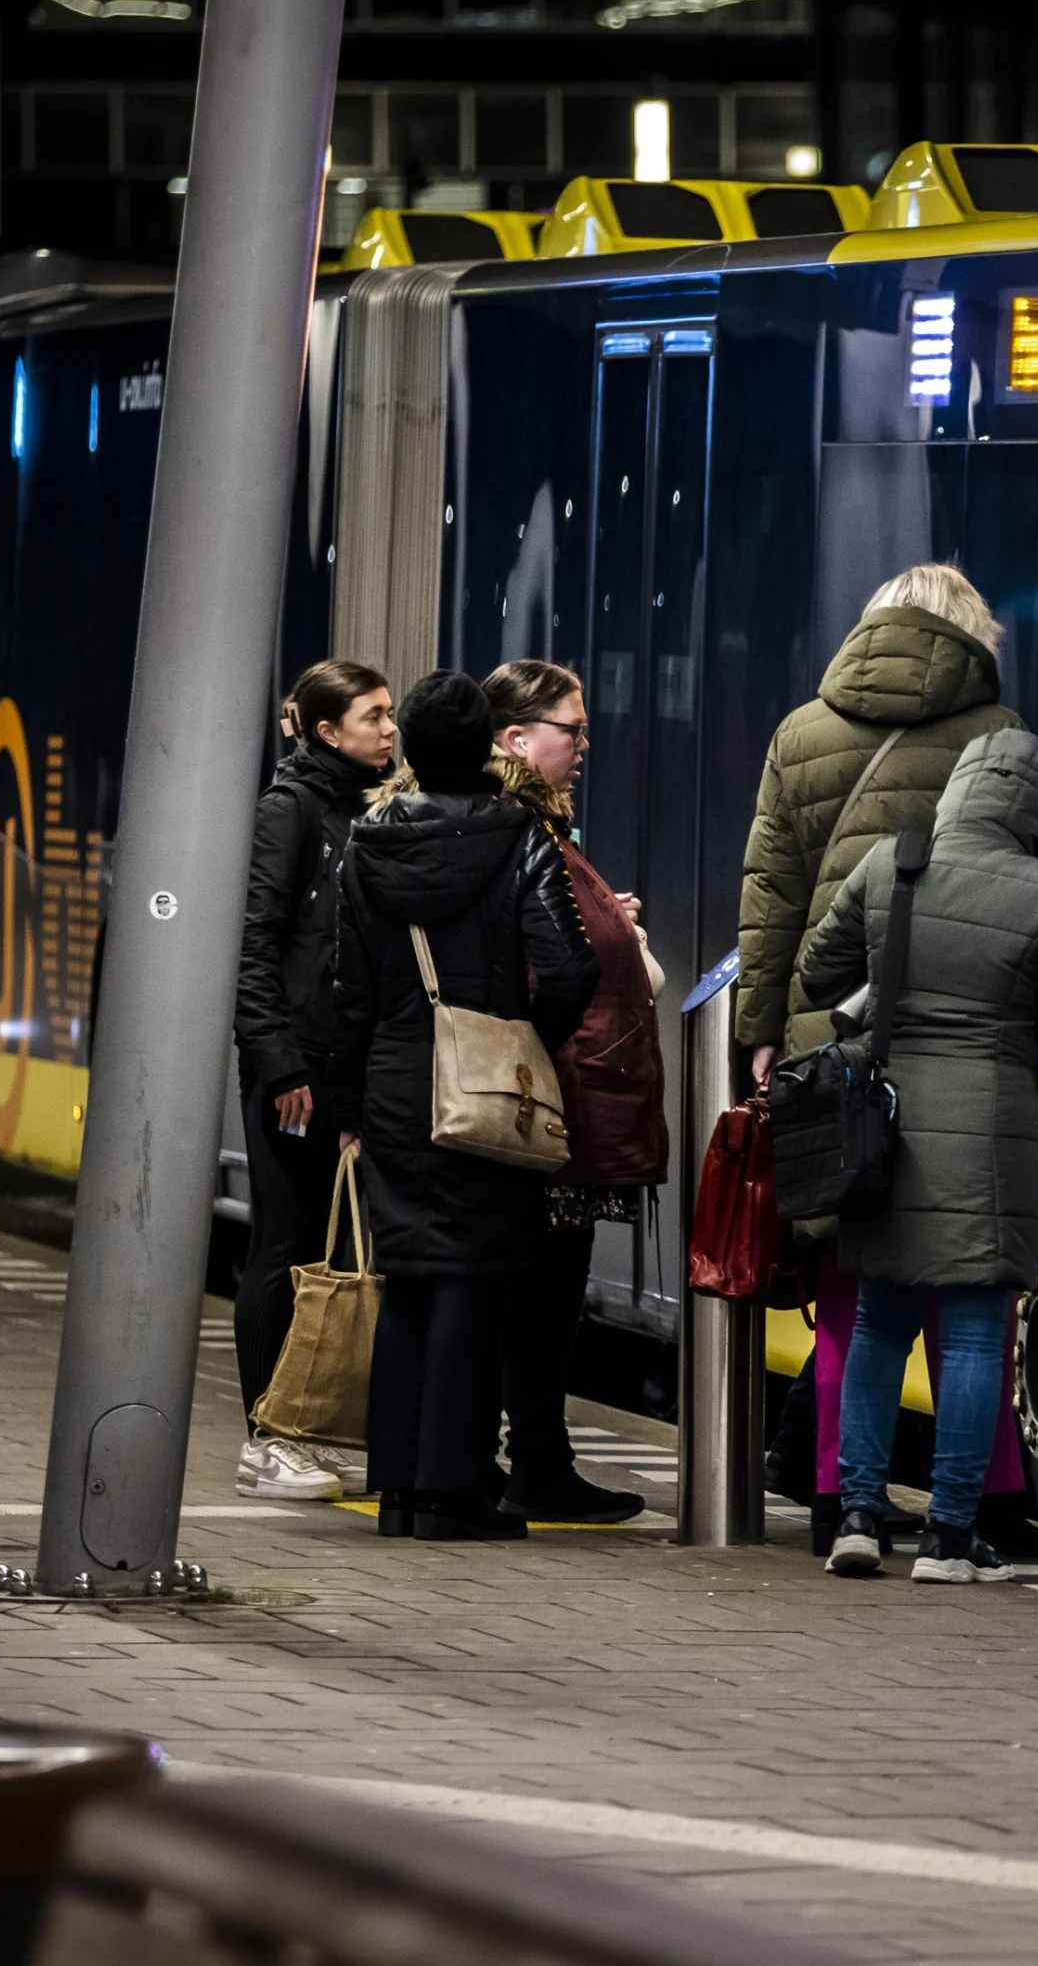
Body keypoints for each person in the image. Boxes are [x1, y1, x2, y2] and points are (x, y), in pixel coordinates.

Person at [729, 563, 1038, 1558]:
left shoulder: (800, 732)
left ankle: (841, 1497)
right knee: (971, 1290)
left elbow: (772, 895)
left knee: (851, 1289)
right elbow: (1033, 895)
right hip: (977, 1043)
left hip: (839, 1043)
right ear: (972, 636)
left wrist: (760, 1029)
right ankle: (986, 1505)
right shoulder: (996, 743)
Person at [798, 728, 1038, 1581]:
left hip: (887, 1130)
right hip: (992, 1135)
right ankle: (950, 1533)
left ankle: (859, 1513)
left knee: (879, 1324)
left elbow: (819, 975)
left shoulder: (890, 865)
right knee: (975, 1338)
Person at [327, 670, 598, 1541]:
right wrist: (523, 1036)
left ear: (407, 742)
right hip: (484, 1080)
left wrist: (352, 1099)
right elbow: (570, 969)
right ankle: (453, 1491)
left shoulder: (366, 841)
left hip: (395, 1081)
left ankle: (399, 1491)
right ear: (484, 742)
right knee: (474, 1281)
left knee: (407, 1279)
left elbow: (347, 989)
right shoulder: (519, 836)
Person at [475, 656, 656, 1527]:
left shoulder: (538, 826)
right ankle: (534, 1461)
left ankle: (537, 1456)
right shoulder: (517, 825)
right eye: (569, 728)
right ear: (517, 737)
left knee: (547, 1289)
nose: (584, 745)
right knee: (540, 1292)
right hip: (550, 1100)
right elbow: (542, 964)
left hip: (562, 1096)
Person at [230, 658, 392, 1502]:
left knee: (330, 1253)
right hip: (294, 1073)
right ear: (328, 730)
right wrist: (279, 1061)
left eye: (391, 715)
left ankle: (311, 1424)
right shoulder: (289, 809)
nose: (389, 729)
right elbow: (252, 943)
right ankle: (264, 1437)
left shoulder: (355, 808)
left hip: (339, 1069)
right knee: (283, 1247)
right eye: (373, 716)